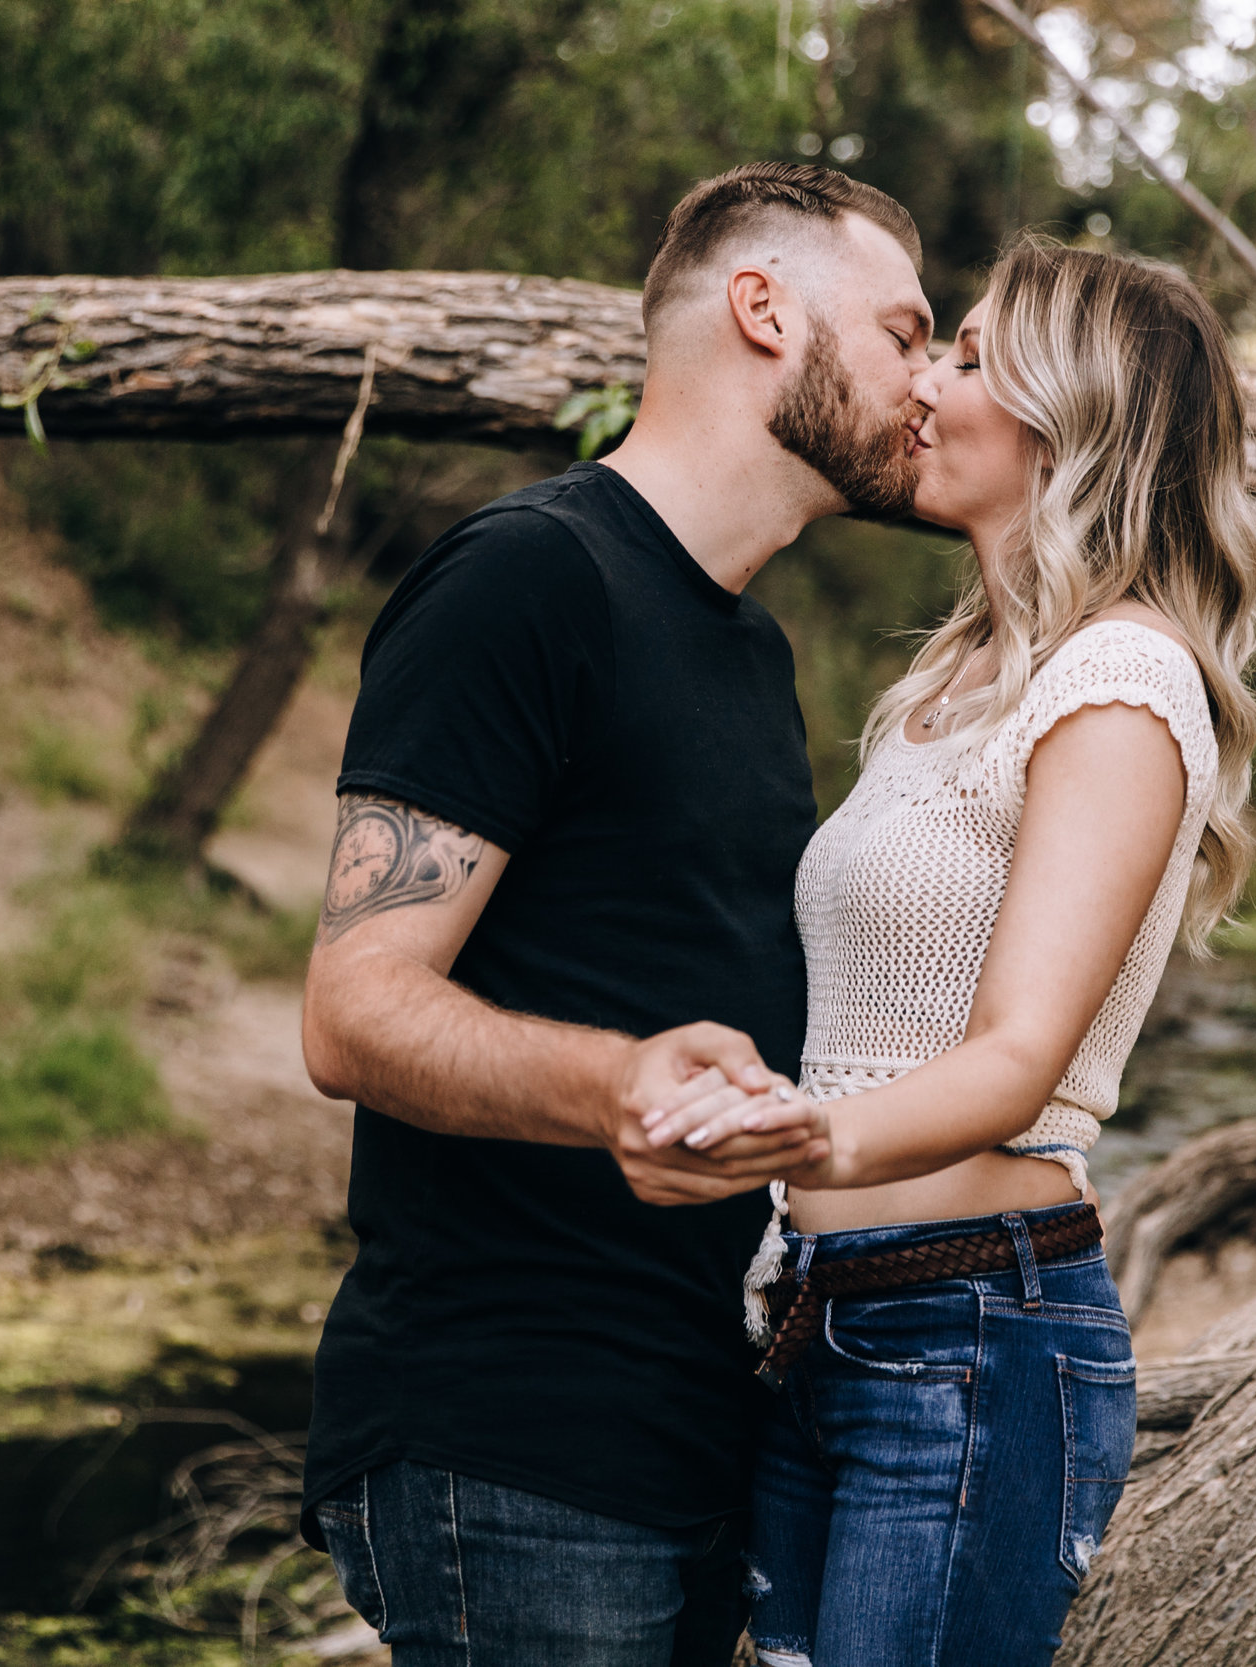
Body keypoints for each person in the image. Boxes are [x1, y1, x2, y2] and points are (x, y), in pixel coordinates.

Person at [296, 162, 936, 1666]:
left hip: (697, 1425)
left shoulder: (752, 652)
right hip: (515, 1438)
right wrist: (617, 1085)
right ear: (765, 308)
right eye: (907, 330)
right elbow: (353, 1007)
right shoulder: (529, 578)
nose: (929, 378)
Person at [641, 239, 1256, 1666]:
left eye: (972, 357)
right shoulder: (949, 683)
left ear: (1075, 412)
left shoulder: (1122, 676)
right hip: (822, 1313)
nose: (923, 383)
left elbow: (1015, 1060)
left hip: (973, 1335)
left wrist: (792, 1137)